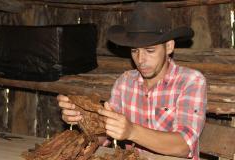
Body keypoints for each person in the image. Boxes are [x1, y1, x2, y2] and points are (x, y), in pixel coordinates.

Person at [57, 2, 207, 160]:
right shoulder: (125, 82)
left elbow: (183, 146)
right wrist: (83, 118)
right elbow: (103, 136)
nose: (140, 60)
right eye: (134, 50)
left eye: (150, 50)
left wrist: (131, 131)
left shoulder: (190, 81)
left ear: (169, 47)